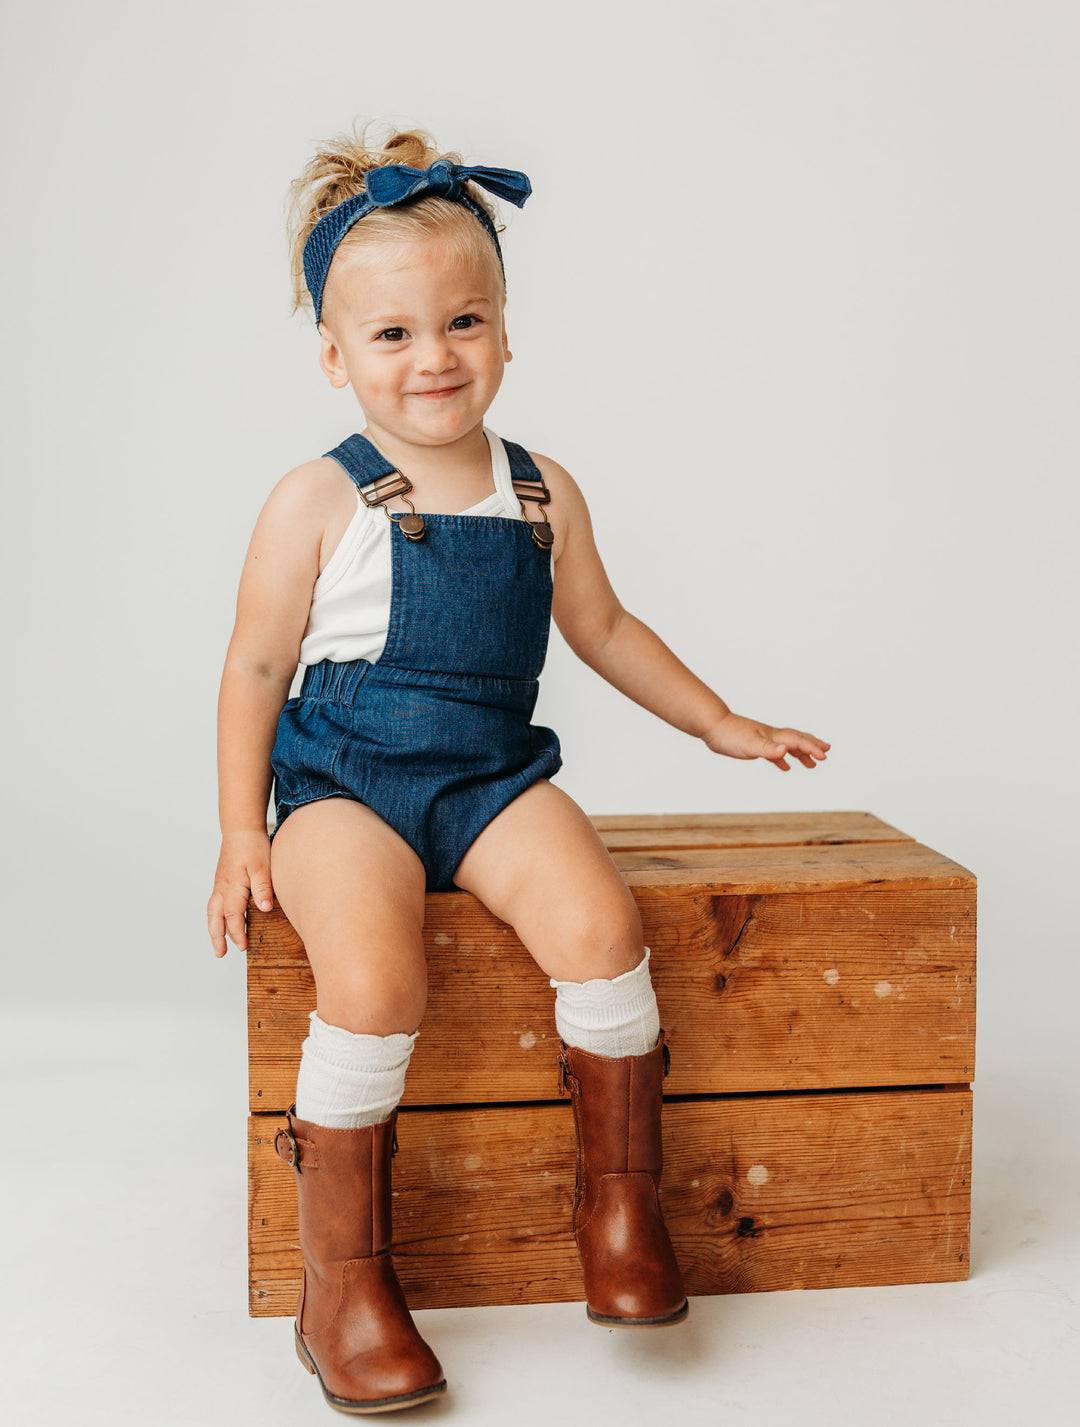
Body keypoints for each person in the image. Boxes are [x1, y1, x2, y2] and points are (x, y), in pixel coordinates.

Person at [207, 121, 830, 1416]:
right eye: (391, 335)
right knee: (376, 982)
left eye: (464, 321)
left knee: (603, 926)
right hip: (346, 789)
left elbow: (600, 628)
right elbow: (257, 668)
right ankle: (347, 1279)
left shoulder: (542, 489)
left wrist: (717, 722)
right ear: (335, 354)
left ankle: (616, 1208)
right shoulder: (315, 499)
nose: (433, 358)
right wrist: (241, 832)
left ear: (505, 329)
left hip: (488, 779)